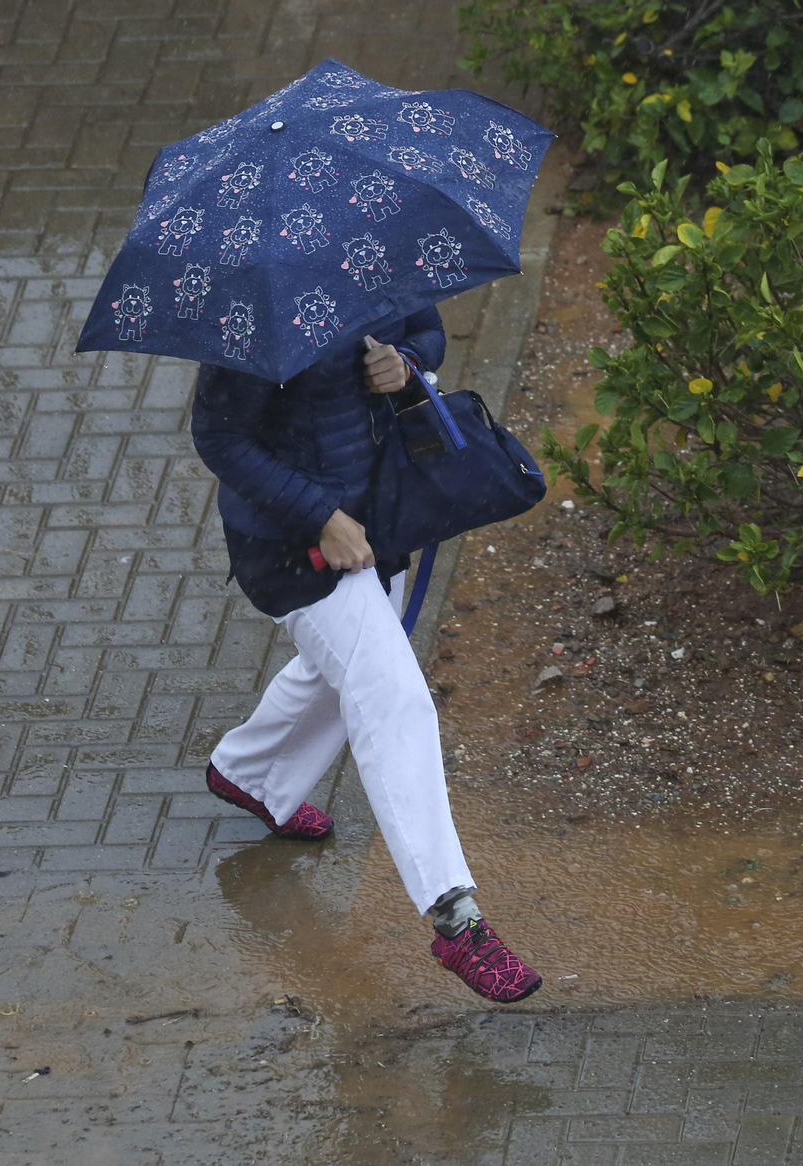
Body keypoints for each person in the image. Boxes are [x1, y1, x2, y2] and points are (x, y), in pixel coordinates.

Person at [191, 306, 541, 1004]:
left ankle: (251, 772)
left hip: (383, 510)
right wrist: (320, 514)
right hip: (296, 545)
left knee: (349, 668)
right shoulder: (251, 310)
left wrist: (405, 361)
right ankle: (455, 918)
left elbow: (430, 328)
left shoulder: (369, 248)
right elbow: (219, 436)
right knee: (393, 696)